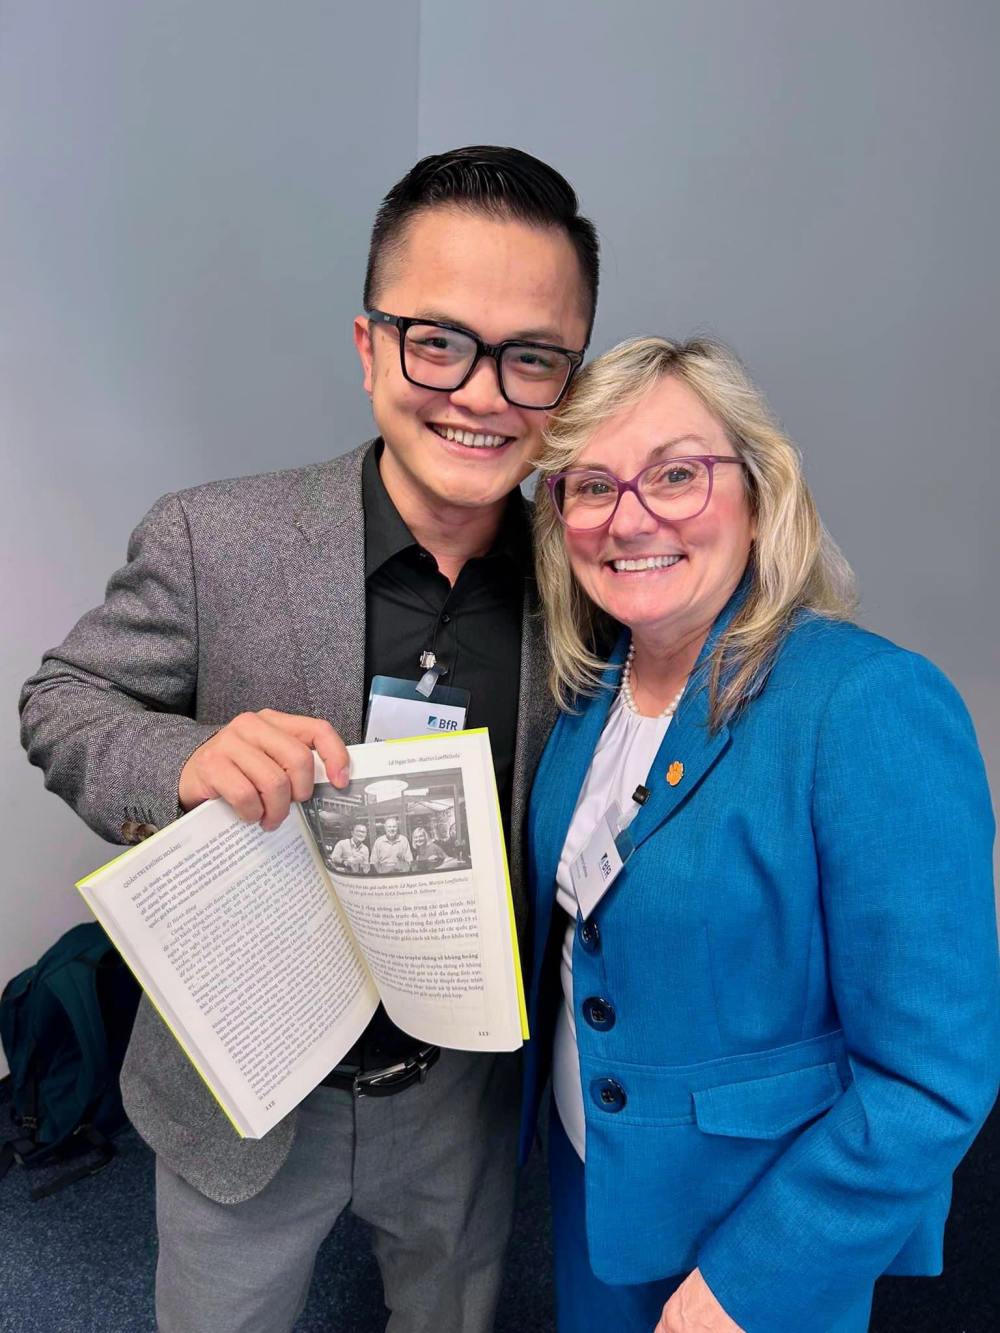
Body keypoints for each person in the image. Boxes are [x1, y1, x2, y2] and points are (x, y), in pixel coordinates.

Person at [20, 145, 597, 1333]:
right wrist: (178, 762)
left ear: (569, 378)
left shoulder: (591, 581)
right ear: (368, 343)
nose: (481, 392)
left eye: (531, 356)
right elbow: (64, 698)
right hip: (238, 1089)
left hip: (465, 1091)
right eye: (437, 339)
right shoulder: (212, 537)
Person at [521, 336, 999, 1333]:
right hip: (596, 1188)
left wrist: (750, 1282)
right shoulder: (581, 701)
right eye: (590, 485)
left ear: (758, 489)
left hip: (758, 1232)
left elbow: (932, 1076)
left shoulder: (864, 704)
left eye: (676, 474)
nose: (630, 516)